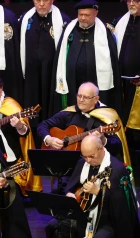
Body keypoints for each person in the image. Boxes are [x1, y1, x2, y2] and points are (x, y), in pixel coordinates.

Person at [46, 135, 140, 238]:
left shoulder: (117, 169)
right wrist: (69, 194)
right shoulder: (83, 163)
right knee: (52, 226)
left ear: (101, 148)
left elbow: (121, 205)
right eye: (85, 156)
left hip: (105, 220)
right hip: (81, 214)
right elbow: (70, 185)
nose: (88, 161)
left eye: (91, 156)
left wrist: (99, 193)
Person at [50, 0, 121, 116]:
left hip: (97, 82)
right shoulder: (69, 30)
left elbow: (113, 62)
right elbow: (60, 58)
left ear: (95, 13)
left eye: (87, 15)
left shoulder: (104, 32)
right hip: (72, 82)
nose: (82, 18)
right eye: (80, 14)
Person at [37, 82, 131, 166]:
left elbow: (118, 145)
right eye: (79, 96)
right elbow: (43, 125)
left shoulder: (106, 116)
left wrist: (103, 140)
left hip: (97, 166)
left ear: (96, 99)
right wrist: (49, 139)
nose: (81, 100)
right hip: (68, 165)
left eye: (85, 97)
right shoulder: (69, 113)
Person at [19, 0, 70, 127]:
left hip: (52, 75)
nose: (41, 4)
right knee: (31, 109)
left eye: (45, 0)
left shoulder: (63, 20)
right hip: (31, 76)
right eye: (38, 0)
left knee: (50, 108)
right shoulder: (25, 19)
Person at [113, 0, 140, 150]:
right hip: (122, 83)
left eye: (135, 0)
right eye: (128, 0)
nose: (131, 3)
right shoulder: (120, 22)